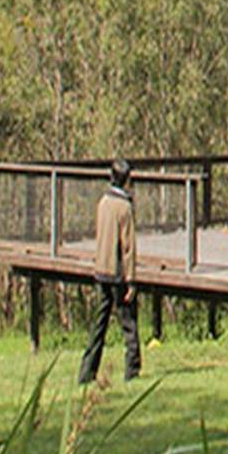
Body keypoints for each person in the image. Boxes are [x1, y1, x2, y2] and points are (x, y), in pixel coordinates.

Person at [78, 158, 141, 384]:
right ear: (127, 179)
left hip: (101, 269)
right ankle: (132, 370)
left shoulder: (103, 202)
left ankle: (87, 371)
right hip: (118, 272)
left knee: (100, 323)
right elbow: (129, 246)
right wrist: (132, 280)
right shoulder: (125, 206)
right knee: (129, 323)